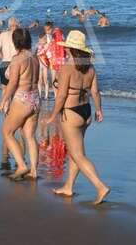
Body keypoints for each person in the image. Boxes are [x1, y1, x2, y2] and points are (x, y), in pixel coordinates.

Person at [44, 30, 110, 205]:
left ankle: (100, 187)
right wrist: (99, 110)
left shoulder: (67, 68)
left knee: (78, 155)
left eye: (67, 47)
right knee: (76, 152)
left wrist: (52, 116)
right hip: (86, 111)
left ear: (71, 49)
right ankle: (68, 187)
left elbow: (61, 96)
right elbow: (95, 91)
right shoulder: (90, 67)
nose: (65, 50)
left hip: (71, 113)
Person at [0, 28, 40, 181]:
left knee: (7, 132)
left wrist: (3, 100)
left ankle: (22, 165)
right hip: (35, 98)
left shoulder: (17, 59)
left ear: (15, 42)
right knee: (30, 136)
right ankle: (34, 171)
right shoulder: (35, 57)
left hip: (22, 98)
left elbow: (13, 82)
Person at [0, 17, 19, 169]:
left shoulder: (3, 35)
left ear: (9, 25)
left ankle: (6, 115)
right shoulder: (19, 35)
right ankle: (15, 116)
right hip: (15, 64)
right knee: (15, 91)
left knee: (5, 91)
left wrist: (4, 58)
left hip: (4, 64)